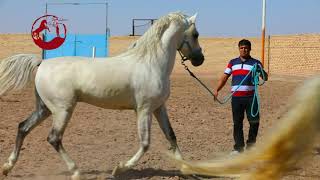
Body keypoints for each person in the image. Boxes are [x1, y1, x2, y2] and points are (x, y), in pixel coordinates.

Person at [214, 39, 268, 154]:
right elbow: (224, 77)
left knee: (254, 122)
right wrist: (217, 90)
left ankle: (251, 146)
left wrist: (261, 70)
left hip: (251, 98)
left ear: (250, 49)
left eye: (246, 48)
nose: (244, 49)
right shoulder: (232, 62)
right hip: (236, 98)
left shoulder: (256, 63)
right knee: (237, 123)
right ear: (239, 49)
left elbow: (265, 78)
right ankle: (238, 148)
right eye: (242, 48)